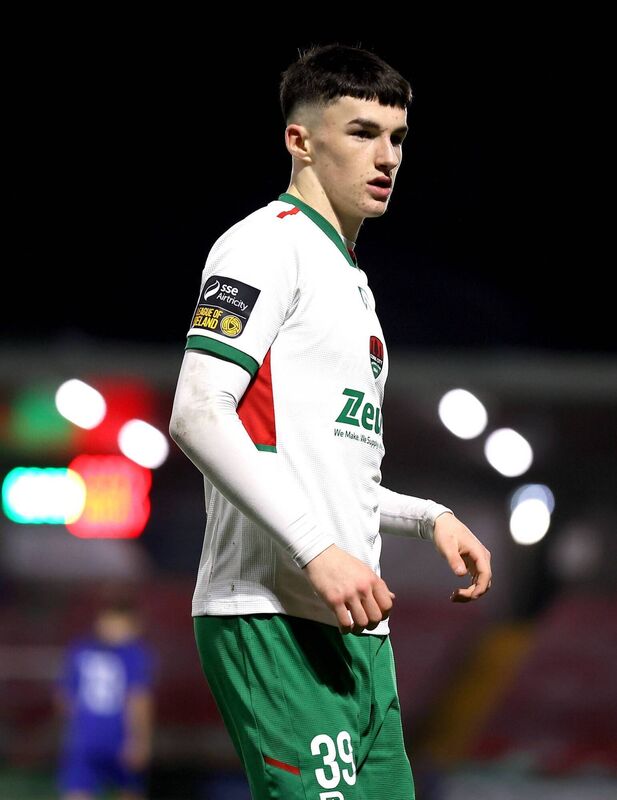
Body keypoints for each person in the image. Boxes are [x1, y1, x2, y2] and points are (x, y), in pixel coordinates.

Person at [169, 42, 492, 799]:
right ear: (300, 139)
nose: (386, 156)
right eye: (360, 132)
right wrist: (318, 552)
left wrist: (428, 516)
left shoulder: (354, 285)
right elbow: (197, 412)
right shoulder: (261, 246)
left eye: (397, 138)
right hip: (271, 614)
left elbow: (329, 472)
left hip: (355, 632)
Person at [55, 596, 155, 800]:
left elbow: (65, 698)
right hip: (118, 737)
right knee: (128, 789)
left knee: (80, 790)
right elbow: (139, 699)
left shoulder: (79, 650)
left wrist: (78, 726)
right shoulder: (135, 654)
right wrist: (142, 740)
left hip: (86, 738)